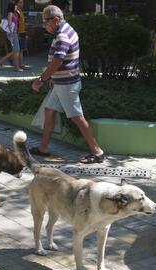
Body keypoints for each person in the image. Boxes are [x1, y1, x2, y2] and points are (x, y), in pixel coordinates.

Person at [30, 5, 105, 164]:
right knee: (49, 111)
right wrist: (53, 79)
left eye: (46, 21)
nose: (44, 25)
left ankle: (97, 152)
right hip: (62, 82)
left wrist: (41, 80)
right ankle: (43, 149)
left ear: (56, 19)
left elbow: (58, 61)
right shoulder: (66, 30)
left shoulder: (62, 35)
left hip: (66, 85)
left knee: (77, 118)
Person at [0, 1, 23, 72]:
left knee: (16, 50)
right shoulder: (10, 13)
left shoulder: (14, 13)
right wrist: (11, 34)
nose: (16, 7)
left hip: (15, 33)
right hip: (12, 33)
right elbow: (9, 24)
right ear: (12, 7)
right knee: (17, 50)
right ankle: (16, 68)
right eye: (15, 6)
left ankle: (1, 61)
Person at [15, 0, 29, 69]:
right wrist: (17, 33)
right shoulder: (16, 11)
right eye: (20, 2)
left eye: (22, 2)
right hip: (18, 33)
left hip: (22, 32)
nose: (22, 4)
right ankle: (2, 61)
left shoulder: (20, 11)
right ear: (17, 3)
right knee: (17, 50)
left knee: (21, 49)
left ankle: (21, 64)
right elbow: (16, 23)